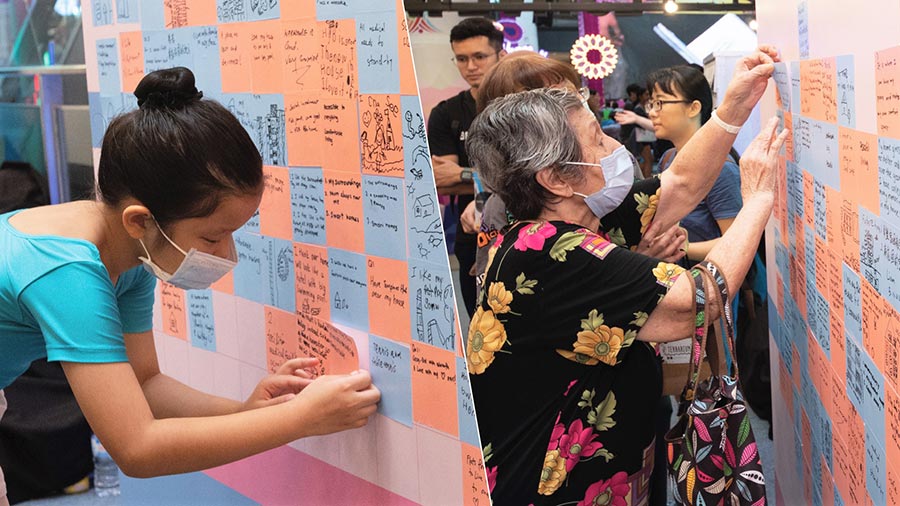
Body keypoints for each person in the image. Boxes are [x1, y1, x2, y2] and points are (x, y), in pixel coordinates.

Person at [0, 67, 380, 504]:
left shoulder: (130, 251)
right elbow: (137, 448)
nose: (224, 255)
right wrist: (299, 420)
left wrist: (246, 411)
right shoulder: (67, 271)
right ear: (141, 219)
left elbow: (145, 383)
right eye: (212, 237)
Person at [464, 47, 787, 505]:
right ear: (556, 178)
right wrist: (757, 200)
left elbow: (681, 185)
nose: (615, 148)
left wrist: (733, 107)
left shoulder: (571, 218)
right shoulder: (549, 252)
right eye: (597, 139)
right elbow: (698, 300)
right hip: (556, 488)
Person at [467, 52, 686, 300]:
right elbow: (500, 300)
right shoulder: (501, 211)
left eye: (574, 93)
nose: (575, 104)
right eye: (553, 99)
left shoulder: (615, 164)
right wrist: (639, 268)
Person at [427, 17, 505, 316]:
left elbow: (527, 176)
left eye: (479, 57)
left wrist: (463, 174)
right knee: (479, 325)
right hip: (470, 233)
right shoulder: (446, 113)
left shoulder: (516, 107)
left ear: (500, 54)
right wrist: (490, 179)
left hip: (521, 231)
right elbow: (441, 180)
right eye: (462, 58)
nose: (470, 66)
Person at [647, 65, 744, 264]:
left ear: (693, 108)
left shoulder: (721, 169)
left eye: (660, 103)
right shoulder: (668, 158)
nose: (652, 113)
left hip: (706, 286)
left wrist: (681, 248)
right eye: (651, 104)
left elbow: (737, 242)